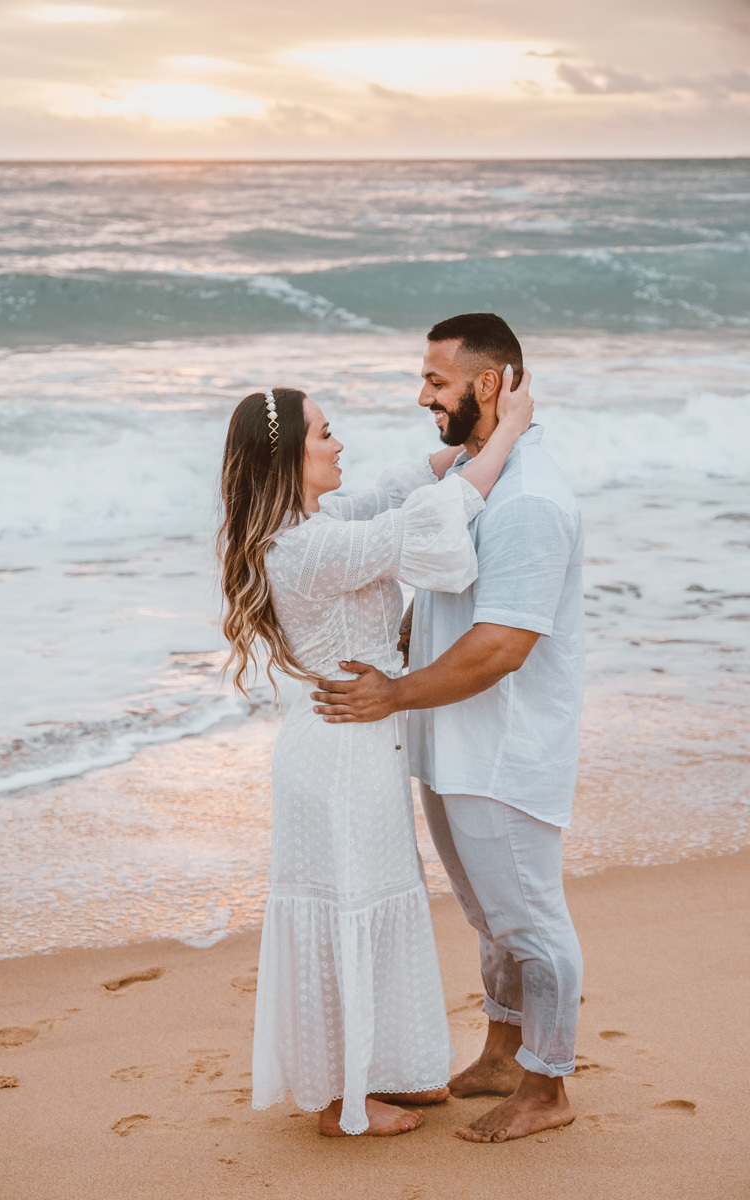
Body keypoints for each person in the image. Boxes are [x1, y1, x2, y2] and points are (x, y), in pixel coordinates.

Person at [217, 371, 534, 1137]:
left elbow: (401, 488)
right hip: (336, 760)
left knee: (372, 902)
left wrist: (472, 436)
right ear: (290, 456)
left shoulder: (316, 524)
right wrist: (510, 432)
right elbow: (433, 517)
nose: (338, 444)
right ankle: (342, 1103)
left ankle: (372, 1074)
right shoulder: (309, 547)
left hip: (355, 746)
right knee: (347, 913)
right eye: (324, 433)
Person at [312, 312, 586, 1144]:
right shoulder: (475, 468)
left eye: (437, 380)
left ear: (489, 384)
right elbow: (445, 576)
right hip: (452, 740)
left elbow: (503, 644)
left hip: (502, 749)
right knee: (489, 913)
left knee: (530, 919)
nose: (423, 395)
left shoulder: (528, 498)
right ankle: (503, 1053)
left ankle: (548, 1085)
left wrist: (393, 695)